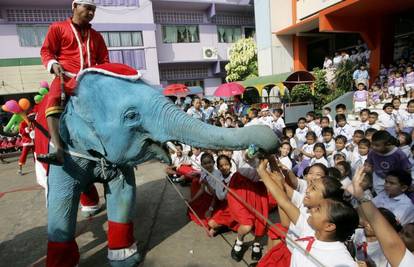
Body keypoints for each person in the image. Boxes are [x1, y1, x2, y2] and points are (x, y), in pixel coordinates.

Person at [39, 0, 109, 165]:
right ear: (75, 6)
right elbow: (46, 50)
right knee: (53, 99)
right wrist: (52, 63)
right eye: (87, 8)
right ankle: (58, 150)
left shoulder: (97, 36)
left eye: (93, 10)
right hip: (66, 77)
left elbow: (104, 60)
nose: (91, 13)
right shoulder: (57, 28)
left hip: (91, 82)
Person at [351, 168, 414, 267]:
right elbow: (367, 209)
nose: (387, 185)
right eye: (386, 182)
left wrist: (365, 218)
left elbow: (388, 225)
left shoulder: (406, 206)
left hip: (384, 242)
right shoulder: (383, 195)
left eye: (392, 183)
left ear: (404, 188)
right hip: (369, 230)